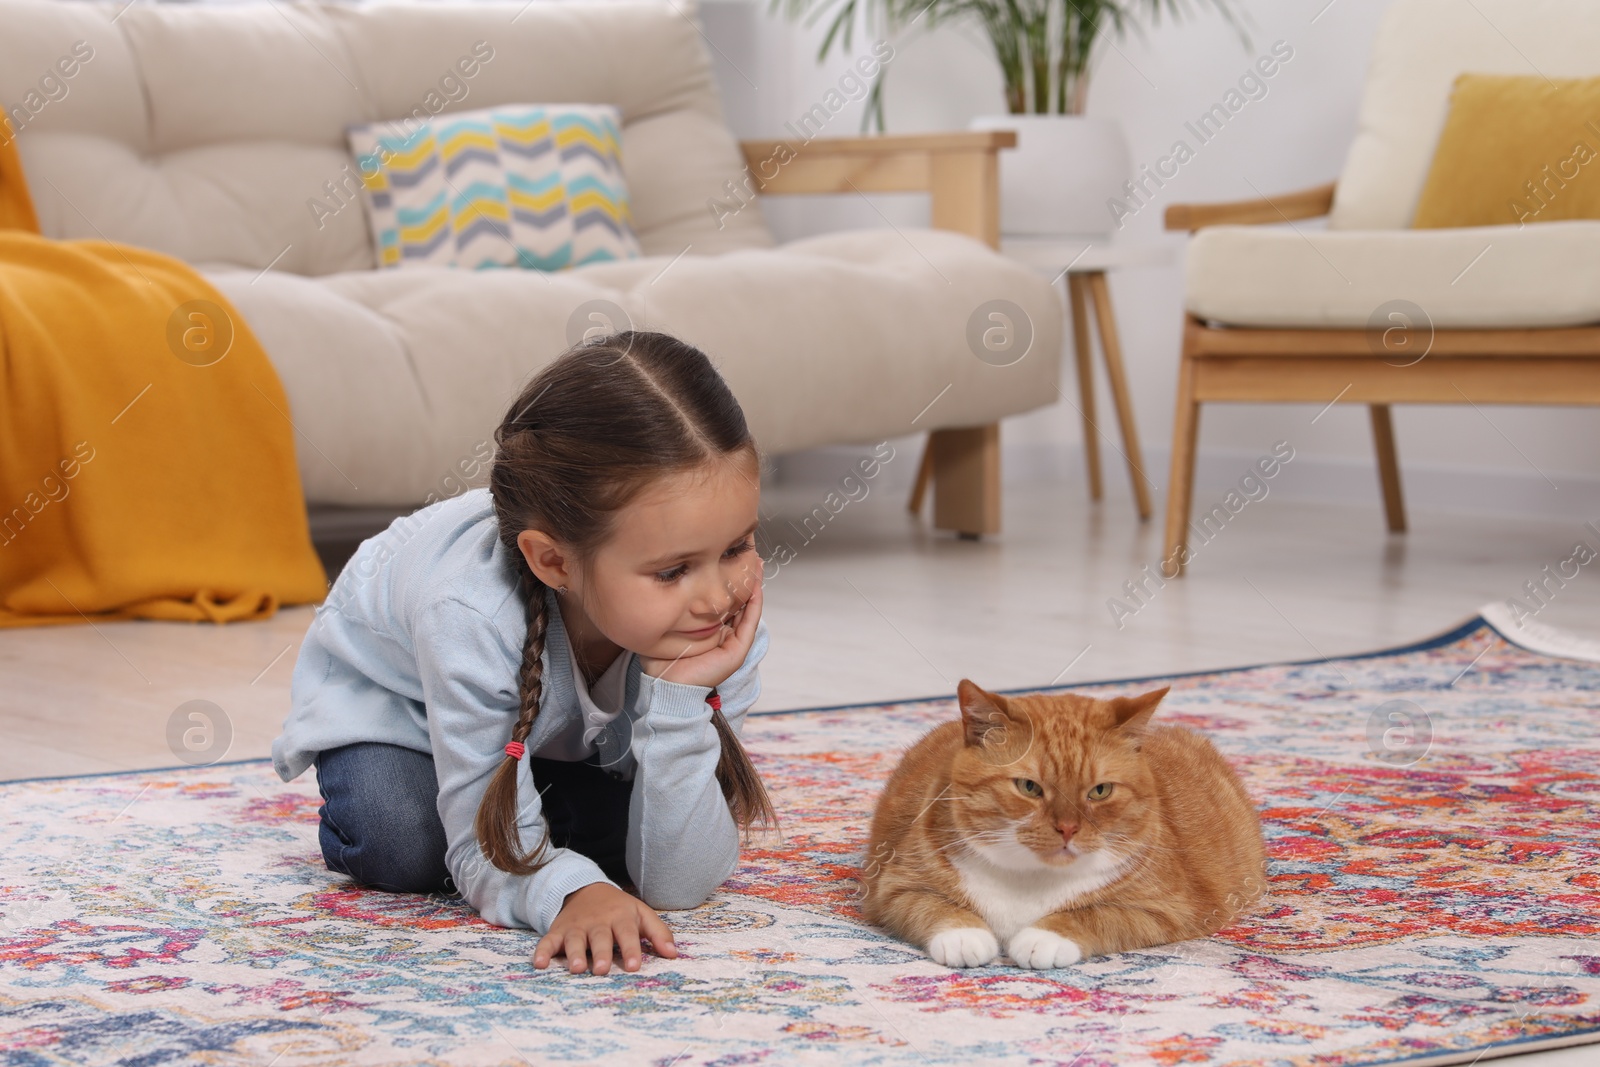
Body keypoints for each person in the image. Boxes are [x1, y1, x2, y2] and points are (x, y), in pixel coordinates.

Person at [271, 330, 773, 976]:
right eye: (673, 571)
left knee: (644, 837)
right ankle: (533, 806)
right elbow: (488, 846)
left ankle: (545, 800)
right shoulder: (470, 613)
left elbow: (679, 883)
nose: (715, 595)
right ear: (554, 561)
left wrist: (679, 699)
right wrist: (568, 888)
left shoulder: (721, 623)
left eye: (736, 547)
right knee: (404, 838)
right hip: (400, 713)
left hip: (547, 735)